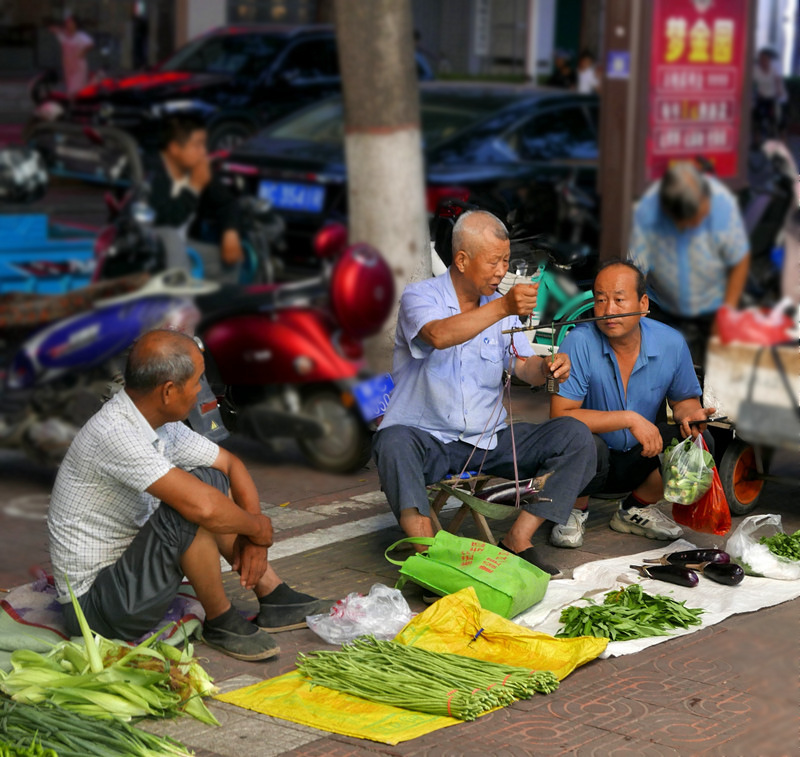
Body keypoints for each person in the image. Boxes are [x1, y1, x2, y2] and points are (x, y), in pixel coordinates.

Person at [48, 330, 330, 661]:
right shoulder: (115, 433)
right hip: (95, 610)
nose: (200, 392)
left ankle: (273, 594)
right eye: (197, 382)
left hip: (129, 579)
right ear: (168, 391)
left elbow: (229, 464)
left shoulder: (159, 422)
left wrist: (256, 532)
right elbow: (202, 507)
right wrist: (257, 529)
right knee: (191, 507)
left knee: (207, 480)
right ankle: (221, 620)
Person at [372, 210, 597, 577]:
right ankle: (432, 558)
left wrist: (549, 368)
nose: (501, 271)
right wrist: (502, 308)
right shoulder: (420, 297)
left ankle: (517, 540)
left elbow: (523, 367)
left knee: (574, 436)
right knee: (391, 443)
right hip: (426, 440)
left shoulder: (501, 310)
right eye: (494, 261)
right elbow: (439, 336)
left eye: (506, 261)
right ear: (462, 260)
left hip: (488, 441)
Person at [549, 261, 715, 548]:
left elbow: (683, 400)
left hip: (639, 458)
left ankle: (634, 508)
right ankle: (575, 509)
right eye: (600, 300)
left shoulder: (671, 343)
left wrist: (691, 416)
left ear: (643, 303)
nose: (609, 310)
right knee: (580, 439)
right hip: (588, 461)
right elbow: (561, 416)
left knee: (698, 440)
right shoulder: (578, 342)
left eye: (618, 299)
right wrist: (628, 418)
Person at [627, 160, 750, 368]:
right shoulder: (647, 216)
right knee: (661, 368)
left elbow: (739, 260)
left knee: (722, 370)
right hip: (662, 304)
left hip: (712, 302)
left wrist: (726, 313)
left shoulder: (722, 207)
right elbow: (634, 279)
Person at [147, 116, 244, 283]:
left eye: (204, 144)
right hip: (151, 249)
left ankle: (218, 307)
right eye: (197, 145)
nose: (204, 152)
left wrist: (230, 231)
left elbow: (227, 202)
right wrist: (194, 188)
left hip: (186, 246)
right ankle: (179, 304)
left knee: (232, 261)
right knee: (171, 239)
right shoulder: (150, 172)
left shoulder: (195, 168)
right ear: (174, 148)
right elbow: (165, 222)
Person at [49, 14, 94, 97]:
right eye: (67, 23)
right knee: (72, 89)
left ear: (75, 25)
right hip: (68, 67)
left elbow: (90, 44)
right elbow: (52, 29)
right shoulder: (63, 36)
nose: (69, 25)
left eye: (71, 23)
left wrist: (83, 52)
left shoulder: (81, 36)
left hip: (78, 67)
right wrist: (59, 28)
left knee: (74, 90)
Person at [752, 48, 786, 142]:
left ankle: (782, 141)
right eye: (760, 58)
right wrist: (756, 93)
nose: (762, 61)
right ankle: (756, 140)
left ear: (769, 59)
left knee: (779, 120)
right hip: (763, 96)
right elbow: (752, 83)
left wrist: (778, 91)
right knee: (757, 117)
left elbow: (777, 80)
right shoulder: (755, 69)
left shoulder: (775, 66)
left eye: (765, 58)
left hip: (777, 97)